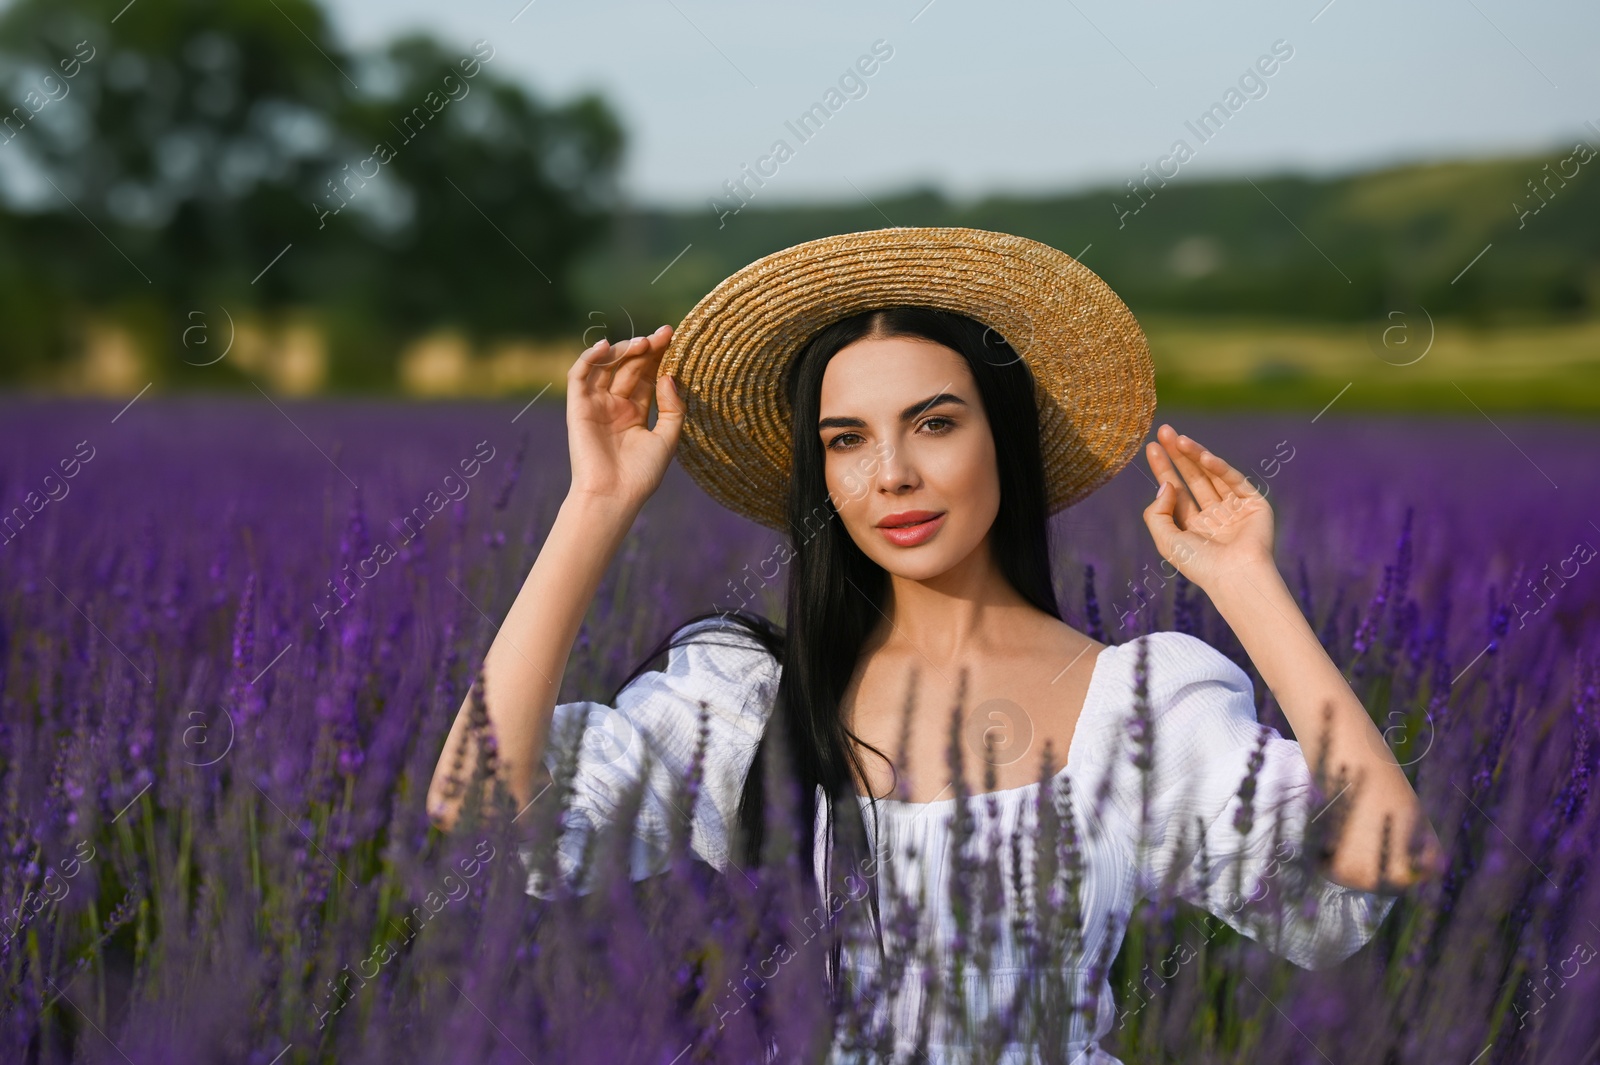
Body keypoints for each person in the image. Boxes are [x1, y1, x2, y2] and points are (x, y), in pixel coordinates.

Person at [426, 228, 1446, 1063]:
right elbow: (478, 809)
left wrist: (1244, 583)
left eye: (934, 423)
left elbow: (1382, 853)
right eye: (847, 440)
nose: (893, 474)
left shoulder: (1130, 702)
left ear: (999, 435)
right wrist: (597, 503)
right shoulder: (758, 696)